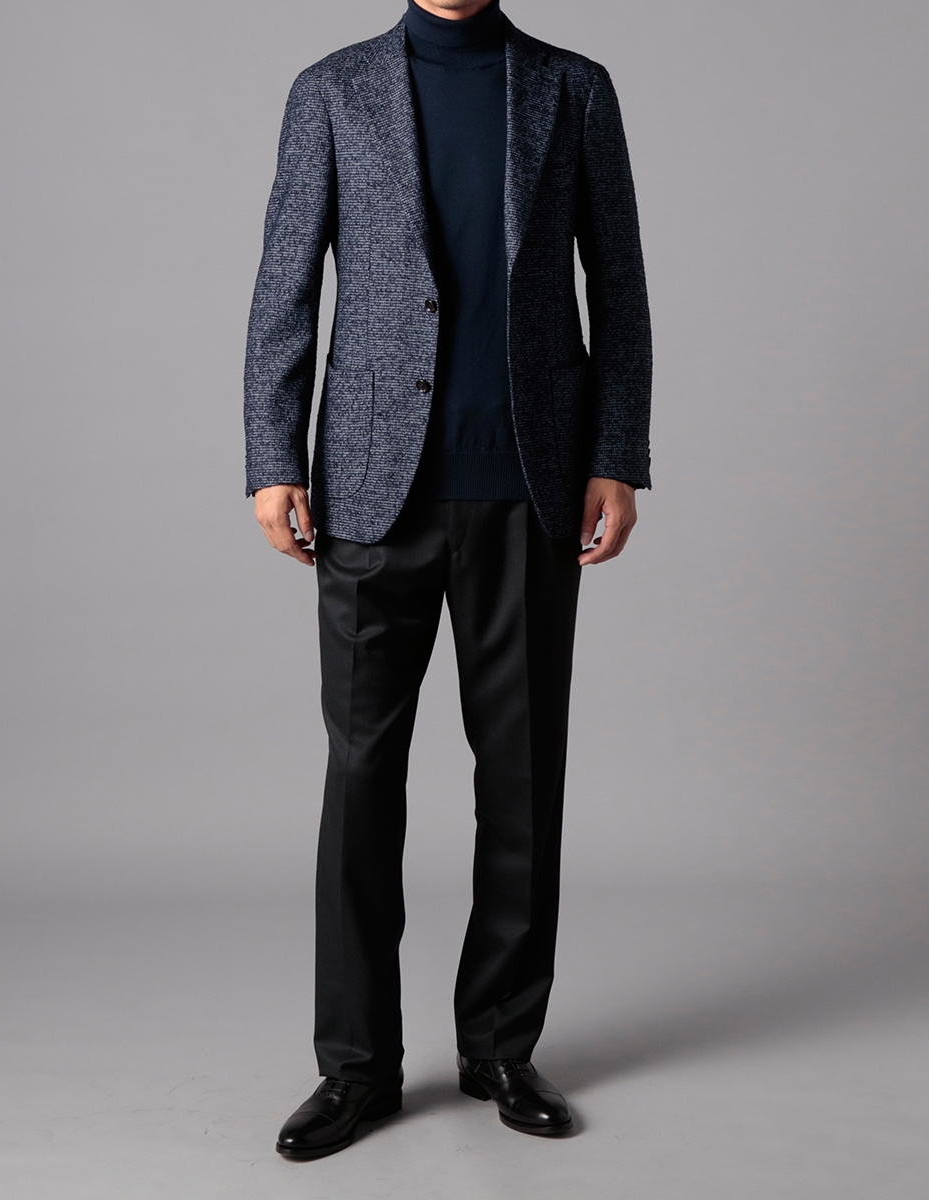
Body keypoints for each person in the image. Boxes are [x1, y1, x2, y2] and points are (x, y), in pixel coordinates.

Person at [244, 0, 651, 1160]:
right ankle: (356, 1068)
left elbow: (617, 286)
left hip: (531, 488)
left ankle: (502, 1049)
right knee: (361, 781)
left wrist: (617, 455)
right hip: (373, 491)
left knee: (520, 781)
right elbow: (285, 282)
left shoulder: (572, 89)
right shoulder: (331, 90)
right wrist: (272, 457)